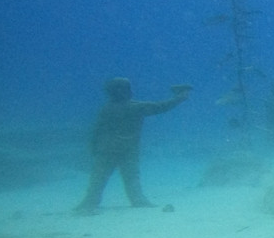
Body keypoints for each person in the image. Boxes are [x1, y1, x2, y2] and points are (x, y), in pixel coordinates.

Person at [75, 78, 192, 214]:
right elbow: (160, 107)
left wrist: (93, 147)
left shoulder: (106, 108)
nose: (131, 91)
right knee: (131, 177)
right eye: (128, 89)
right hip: (128, 150)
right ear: (123, 91)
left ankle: (90, 201)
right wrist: (180, 97)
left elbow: (96, 130)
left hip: (106, 150)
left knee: (98, 178)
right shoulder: (134, 107)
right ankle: (137, 200)